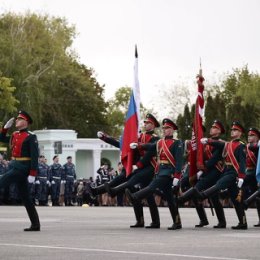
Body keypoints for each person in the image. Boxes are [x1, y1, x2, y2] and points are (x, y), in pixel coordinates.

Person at [126, 118, 183, 230]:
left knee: (152, 187)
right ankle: (177, 222)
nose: (165, 130)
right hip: (160, 171)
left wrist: (177, 176)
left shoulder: (177, 143)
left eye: (167, 128)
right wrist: (138, 145)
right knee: (170, 198)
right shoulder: (160, 142)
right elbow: (150, 146)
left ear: (172, 130)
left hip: (169, 173)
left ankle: (135, 197)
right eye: (164, 128)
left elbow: (179, 160)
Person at [105, 113, 161, 228]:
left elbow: (150, 153)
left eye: (148, 123)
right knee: (142, 194)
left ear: (153, 125)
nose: (146, 125)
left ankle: (114, 191)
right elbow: (123, 145)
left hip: (149, 167)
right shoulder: (139, 136)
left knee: (139, 189)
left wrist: (139, 165)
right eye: (145, 123)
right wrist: (106, 139)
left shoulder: (156, 138)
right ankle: (141, 221)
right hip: (140, 167)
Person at [178, 120, 227, 228]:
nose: (211, 129)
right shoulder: (206, 143)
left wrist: (201, 170)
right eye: (212, 127)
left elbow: (213, 160)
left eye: (214, 128)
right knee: (212, 197)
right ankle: (205, 220)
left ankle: (180, 200)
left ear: (219, 131)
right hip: (207, 171)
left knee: (198, 189)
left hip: (215, 171)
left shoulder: (219, 143)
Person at [200, 121, 247, 229]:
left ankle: (202, 195)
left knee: (219, 184)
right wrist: (208, 141)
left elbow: (243, 163)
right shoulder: (228, 144)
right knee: (236, 199)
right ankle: (243, 223)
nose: (232, 131)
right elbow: (218, 144)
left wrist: (241, 177)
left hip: (234, 173)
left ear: (240, 133)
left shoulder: (241, 146)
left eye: (235, 130)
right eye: (232, 129)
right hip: (228, 171)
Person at [0, 110, 40, 231]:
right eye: (17, 119)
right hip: (14, 165)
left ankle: (35, 224)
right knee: (26, 197)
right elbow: (2, 138)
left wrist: (33, 173)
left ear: (25, 122)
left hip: (23, 168)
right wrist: (4, 129)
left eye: (19, 119)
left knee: (1, 181)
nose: (17, 120)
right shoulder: (15, 134)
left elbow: (34, 156)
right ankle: (35, 224)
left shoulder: (31, 137)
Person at [243, 128, 260, 226]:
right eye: (249, 136)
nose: (250, 137)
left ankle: (246, 203)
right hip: (249, 172)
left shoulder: (257, 147)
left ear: (257, 137)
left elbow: (253, 147)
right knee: (257, 197)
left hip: (255, 173)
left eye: (252, 135)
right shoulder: (247, 146)